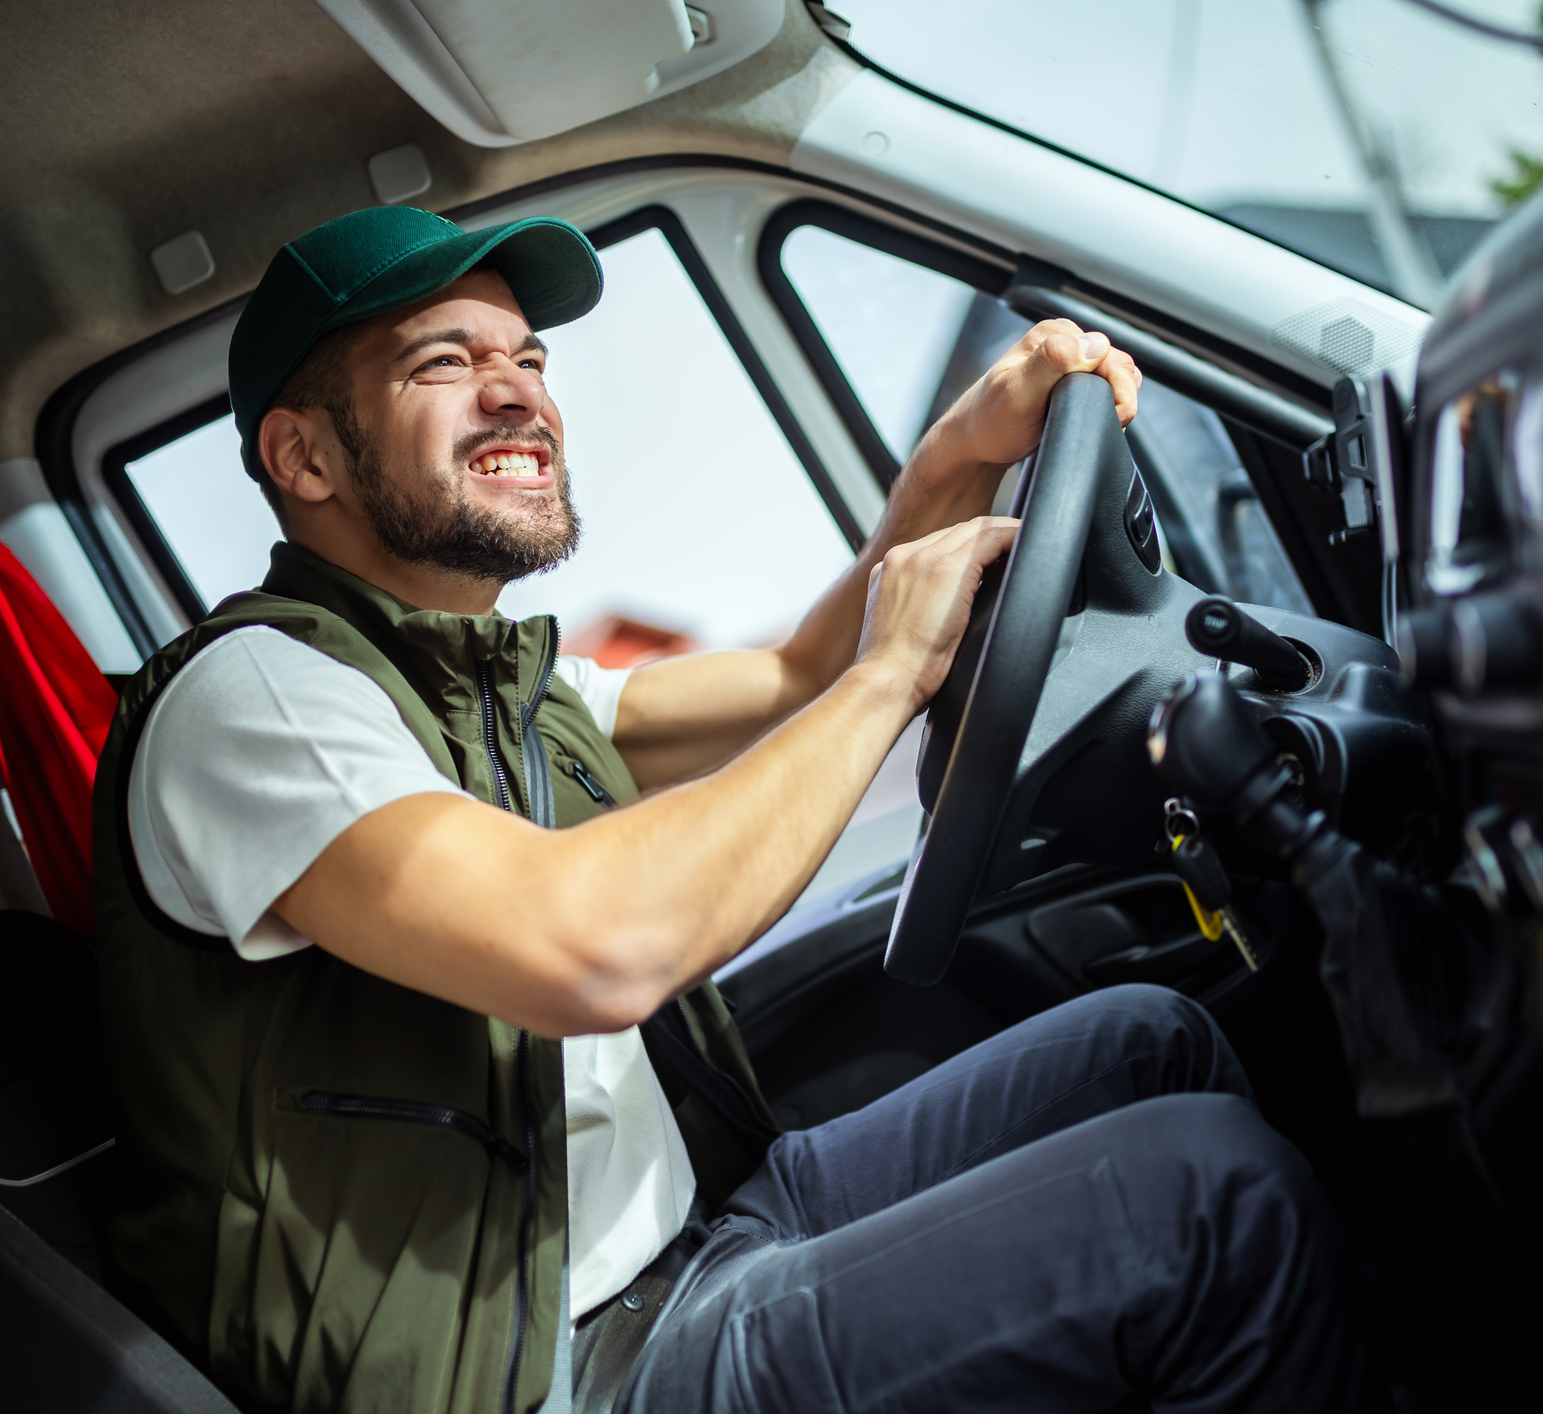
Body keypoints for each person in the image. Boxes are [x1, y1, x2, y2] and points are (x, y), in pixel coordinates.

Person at [94, 204, 1365, 1414]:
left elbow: (792, 676)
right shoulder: (253, 695)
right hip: (548, 1364)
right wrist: (892, 674)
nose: (519, 388)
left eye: (528, 356)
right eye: (446, 361)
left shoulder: (508, 687)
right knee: (1211, 1204)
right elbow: (590, 945)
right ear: (301, 453)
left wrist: (961, 451)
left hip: (708, 1219)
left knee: (1151, 1040)